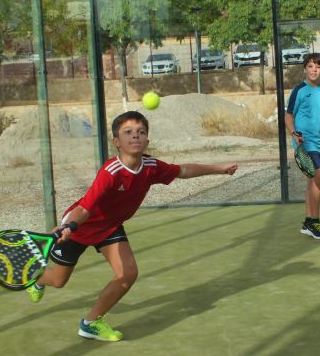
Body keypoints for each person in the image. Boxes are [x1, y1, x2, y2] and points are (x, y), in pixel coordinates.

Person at [28, 110, 238, 342]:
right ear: (117, 142)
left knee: (128, 274)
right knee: (58, 281)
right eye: (128, 132)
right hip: (81, 226)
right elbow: (85, 207)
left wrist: (219, 168)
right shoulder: (111, 172)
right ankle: (38, 279)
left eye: (141, 132)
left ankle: (91, 323)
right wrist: (69, 226)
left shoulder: (150, 166)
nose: (135, 136)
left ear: (147, 140)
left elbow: (183, 170)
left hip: (109, 227)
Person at [284, 52, 320, 240]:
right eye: (310, 66)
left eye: (317, 67)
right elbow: (288, 115)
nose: (314, 70)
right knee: (319, 179)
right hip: (304, 141)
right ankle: (315, 221)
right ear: (304, 69)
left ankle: (308, 222)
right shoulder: (299, 90)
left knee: (313, 182)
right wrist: (294, 133)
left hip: (319, 143)